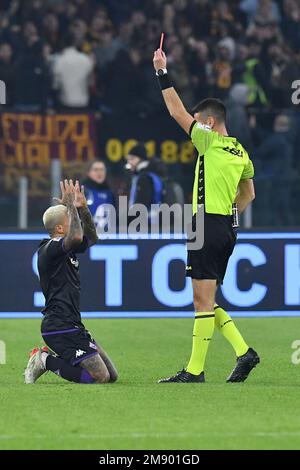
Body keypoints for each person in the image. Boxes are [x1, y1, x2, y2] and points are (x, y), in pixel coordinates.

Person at [153, 48, 259, 383]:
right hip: (227, 227)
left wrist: (162, 72)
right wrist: (228, 218)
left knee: (201, 301)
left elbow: (175, 111)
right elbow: (249, 194)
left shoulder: (209, 141)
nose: (195, 125)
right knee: (208, 298)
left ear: (210, 123)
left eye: (200, 121)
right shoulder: (240, 150)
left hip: (206, 224)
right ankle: (244, 353)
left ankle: (195, 371)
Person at [24, 179, 118, 385]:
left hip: (73, 325)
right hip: (58, 326)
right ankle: (44, 360)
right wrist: (69, 206)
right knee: (100, 377)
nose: (74, 220)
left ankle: (60, 359)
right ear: (59, 227)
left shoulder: (65, 248)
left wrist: (82, 209)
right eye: (70, 218)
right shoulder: (49, 249)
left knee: (112, 375)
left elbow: (91, 238)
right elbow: (76, 236)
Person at [126, 142, 167, 212]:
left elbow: (141, 206)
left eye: (132, 159)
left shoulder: (144, 178)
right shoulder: (149, 174)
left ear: (141, 159)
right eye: (128, 159)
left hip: (145, 220)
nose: (129, 162)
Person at [82, 160, 116, 232]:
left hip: (109, 234)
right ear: (88, 172)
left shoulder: (110, 192)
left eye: (102, 170)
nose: (99, 173)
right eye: (96, 170)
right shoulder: (82, 191)